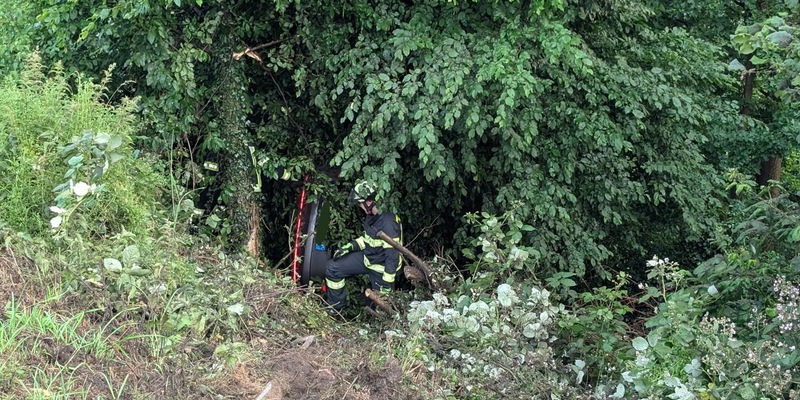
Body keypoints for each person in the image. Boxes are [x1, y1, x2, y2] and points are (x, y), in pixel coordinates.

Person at [325, 180, 402, 313]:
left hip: (383, 269)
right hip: (368, 258)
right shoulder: (372, 215)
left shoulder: (388, 222)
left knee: (382, 308)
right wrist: (349, 247)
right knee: (332, 268)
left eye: (360, 203)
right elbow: (369, 239)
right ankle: (336, 308)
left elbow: (392, 258)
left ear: (368, 202)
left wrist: (386, 287)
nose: (360, 206)